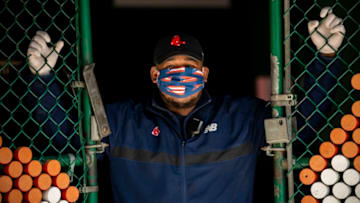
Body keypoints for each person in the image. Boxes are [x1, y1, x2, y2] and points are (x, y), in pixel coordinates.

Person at [25, 7, 345, 203]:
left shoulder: (240, 117)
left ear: (205, 74)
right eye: (170, 66)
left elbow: (298, 130)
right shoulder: (122, 120)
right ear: (154, 74)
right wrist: (42, 78)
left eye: (189, 66)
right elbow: (68, 139)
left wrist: (325, 57)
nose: (181, 73)